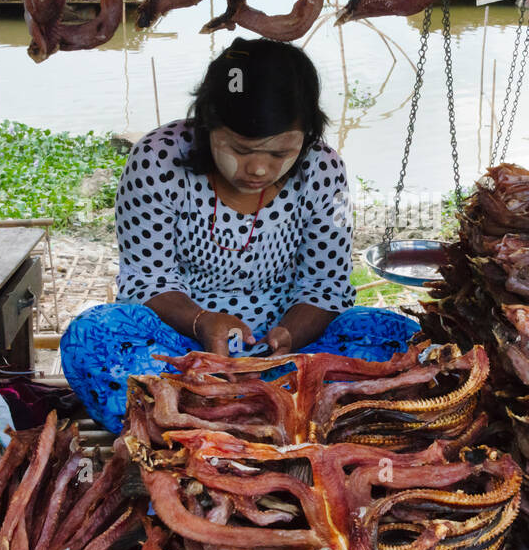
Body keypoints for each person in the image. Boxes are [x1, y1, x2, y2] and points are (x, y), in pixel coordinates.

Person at [61, 37, 421, 431]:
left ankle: (209, 420)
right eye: (240, 149)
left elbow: (325, 285)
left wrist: (289, 335)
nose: (259, 170)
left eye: (280, 153)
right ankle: (268, 422)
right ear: (208, 124)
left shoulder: (324, 170)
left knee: (398, 338)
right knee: (93, 335)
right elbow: (146, 279)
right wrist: (202, 323)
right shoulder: (156, 159)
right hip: (180, 352)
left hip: (293, 358)